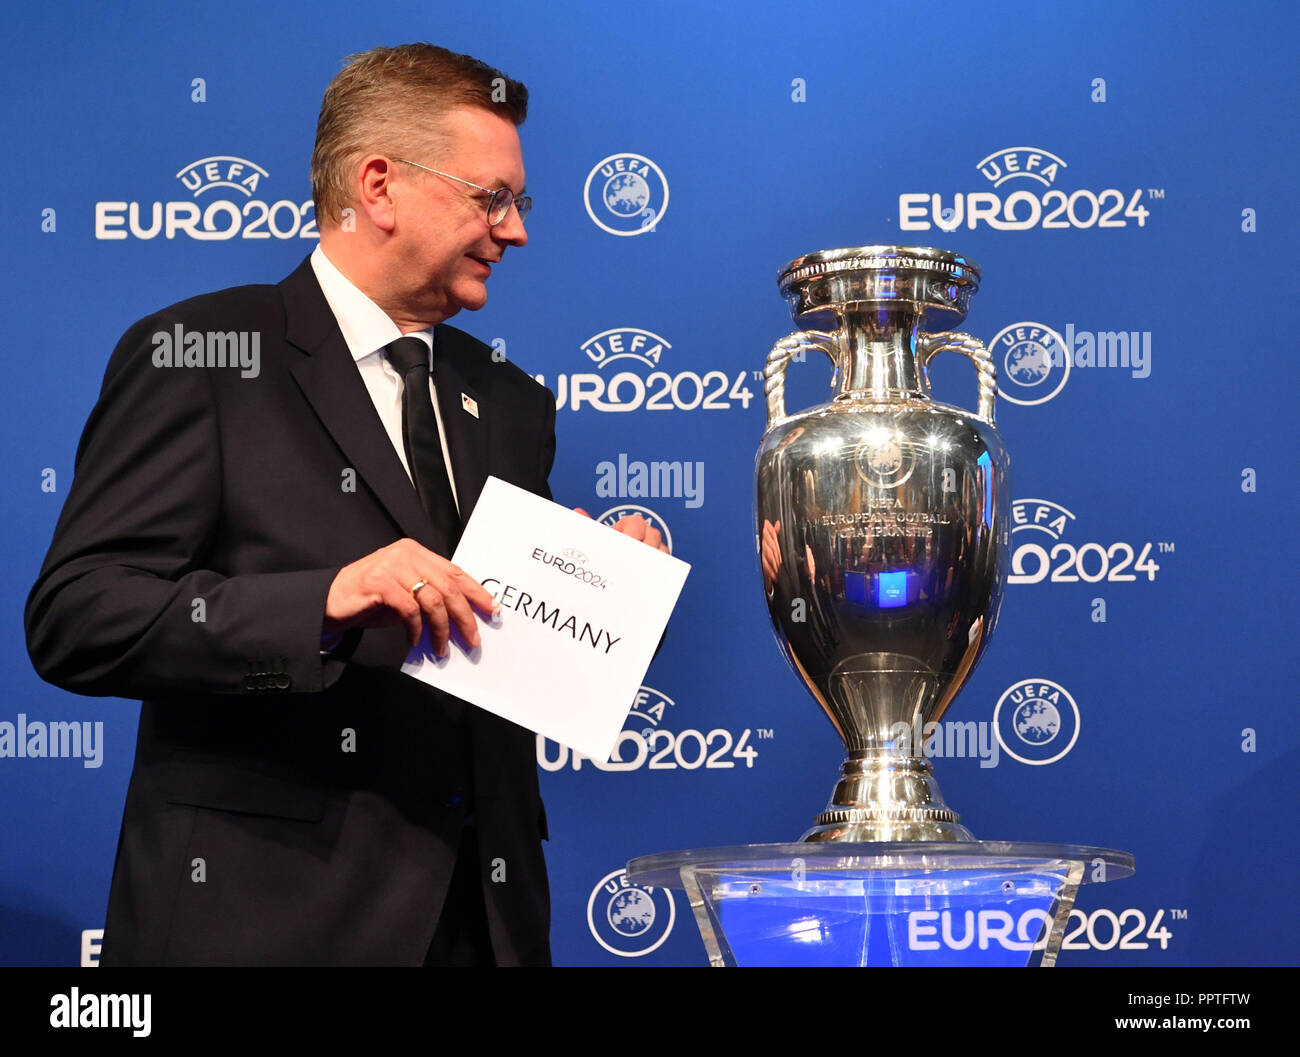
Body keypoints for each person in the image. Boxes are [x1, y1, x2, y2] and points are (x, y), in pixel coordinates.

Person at [24, 43, 666, 966]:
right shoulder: (202, 353)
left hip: (486, 929)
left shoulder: (512, 401)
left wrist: (594, 587)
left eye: (517, 202)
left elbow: (486, 646)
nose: (515, 230)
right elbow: (78, 616)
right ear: (378, 185)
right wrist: (321, 601)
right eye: (493, 197)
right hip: (267, 924)